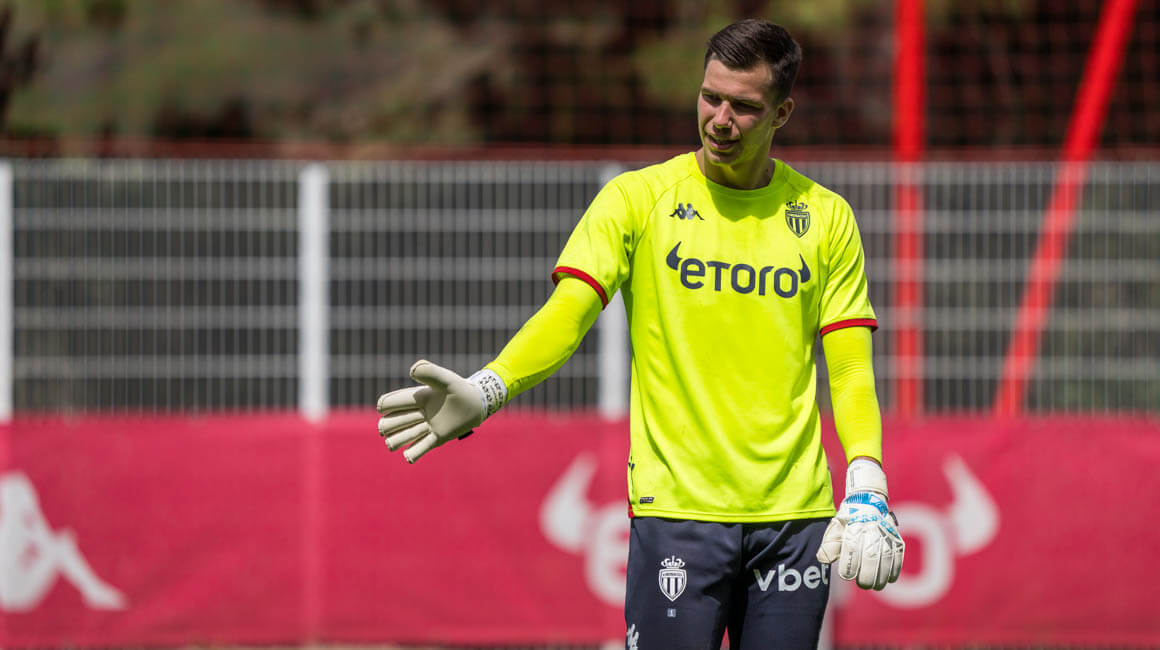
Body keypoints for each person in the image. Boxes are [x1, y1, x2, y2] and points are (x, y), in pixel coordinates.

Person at [376, 18, 904, 649]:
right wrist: (490, 387)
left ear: (782, 113)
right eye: (710, 97)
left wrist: (867, 477)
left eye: (743, 106)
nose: (720, 120)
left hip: (796, 517)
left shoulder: (825, 217)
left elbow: (850, 368)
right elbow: (568, 314)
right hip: (676, 511)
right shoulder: (637, 199)